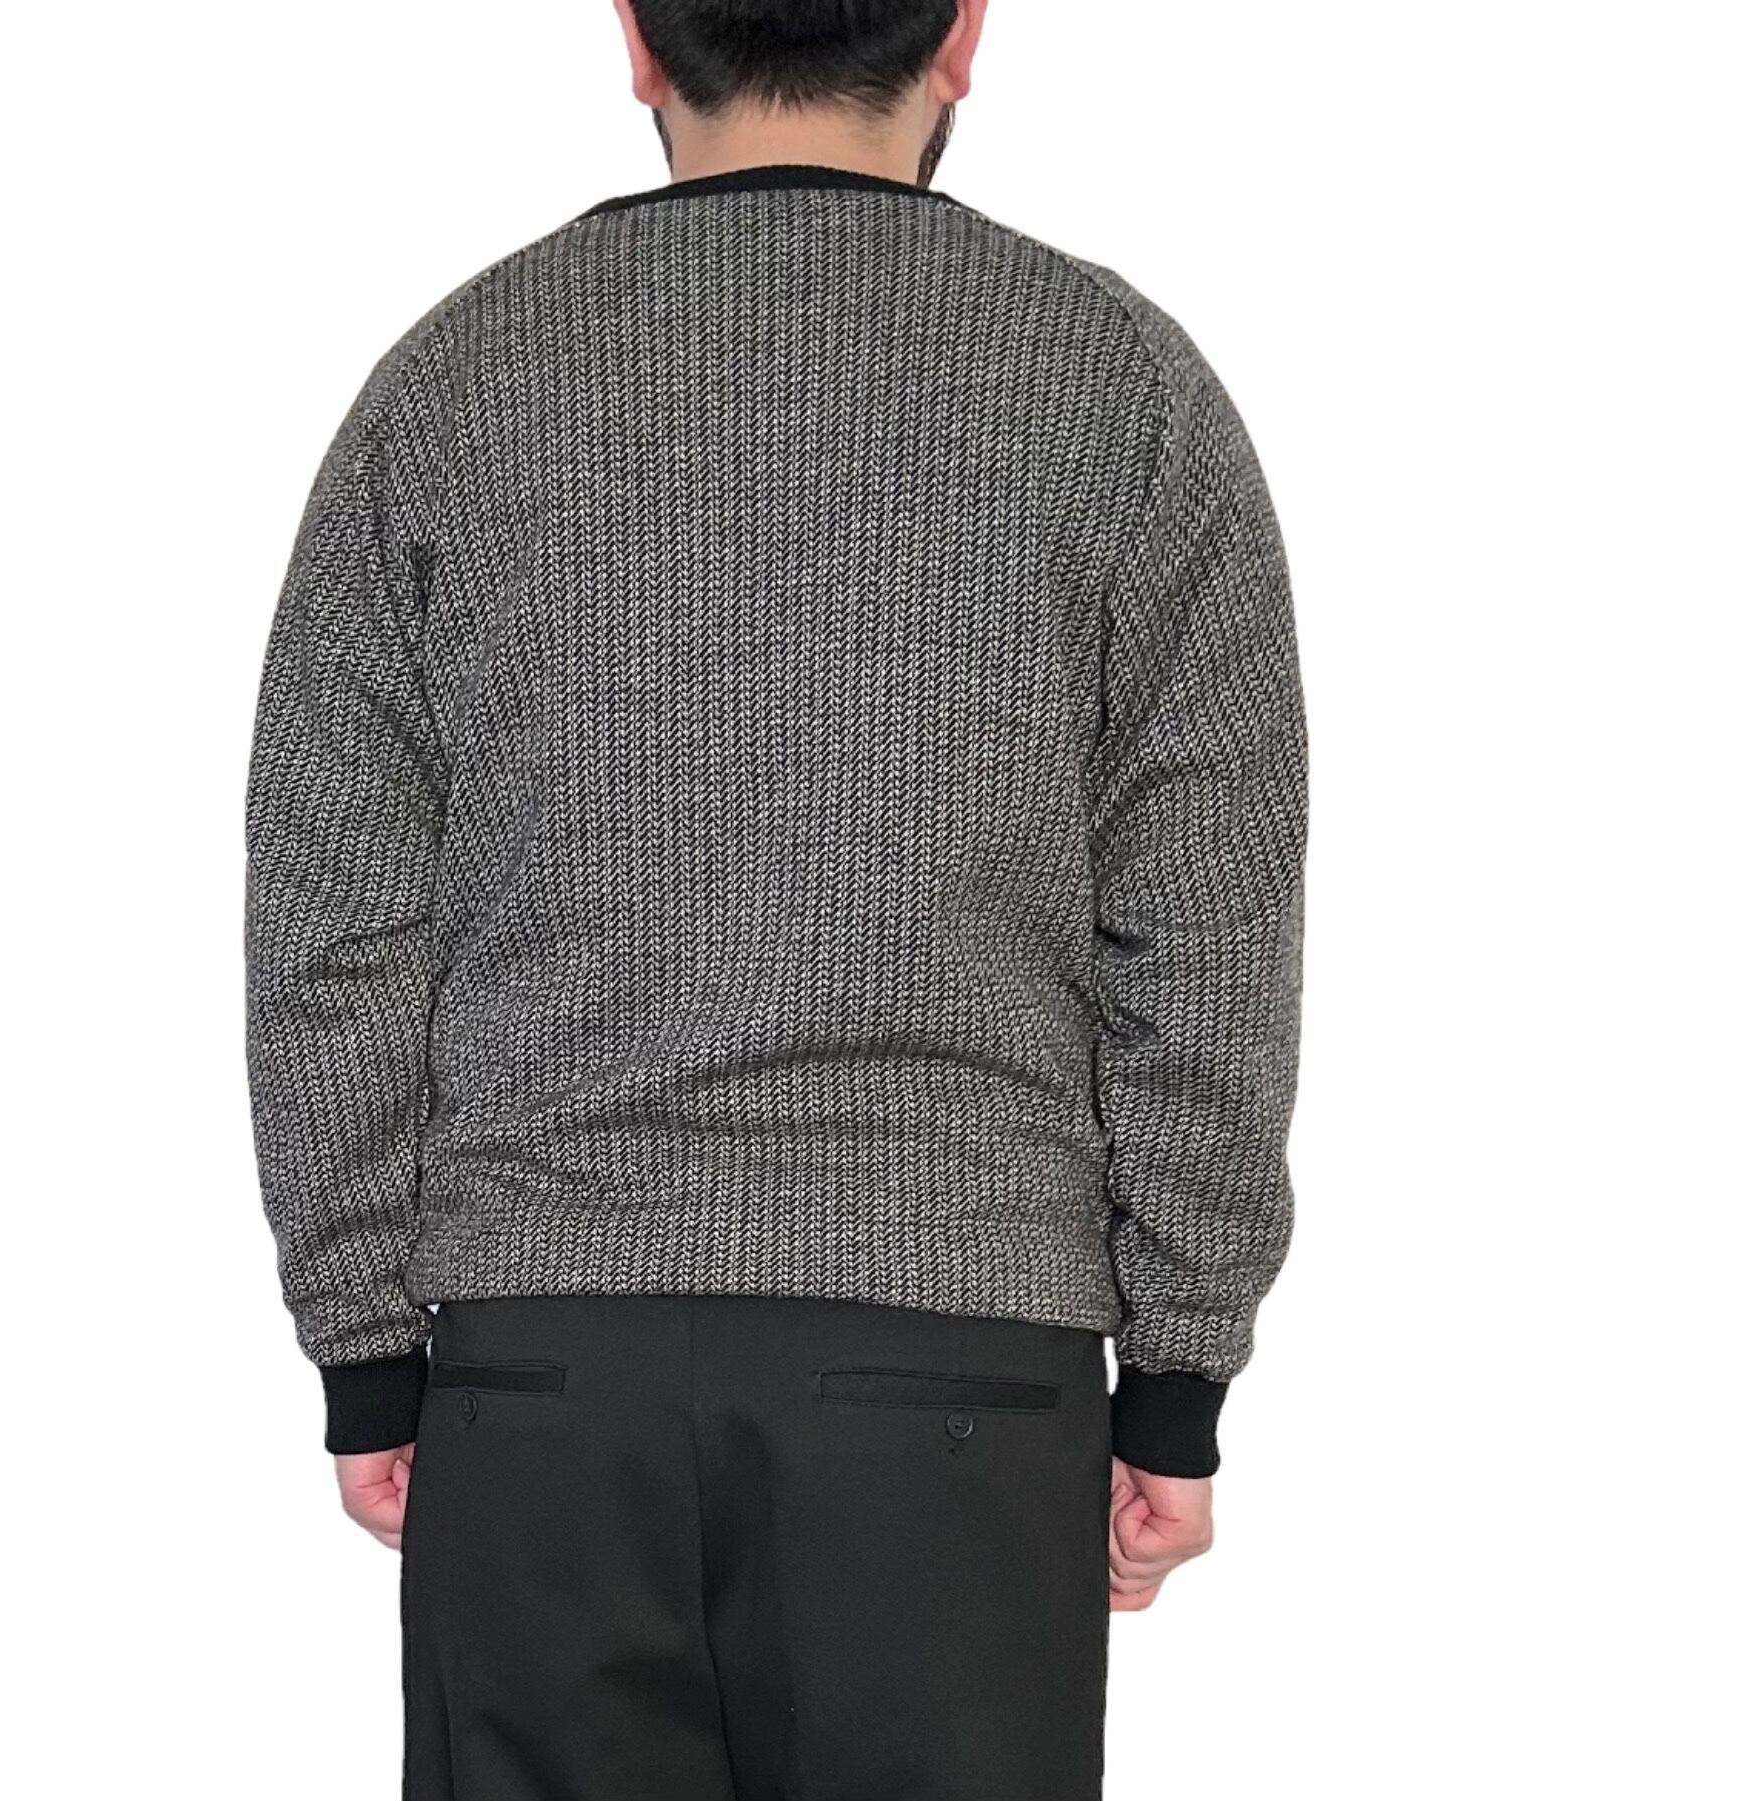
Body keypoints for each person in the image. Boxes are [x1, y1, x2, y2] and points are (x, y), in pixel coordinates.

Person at [242, 2, 1309, 1794]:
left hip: (544, 1380)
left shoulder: (456, 379)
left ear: (635, 38)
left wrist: (362, 1342)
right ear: (962, 32)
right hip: (965, 1380)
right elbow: (1210, 918)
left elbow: (332, 913)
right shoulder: (1118, 387)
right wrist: (1179, 1372)